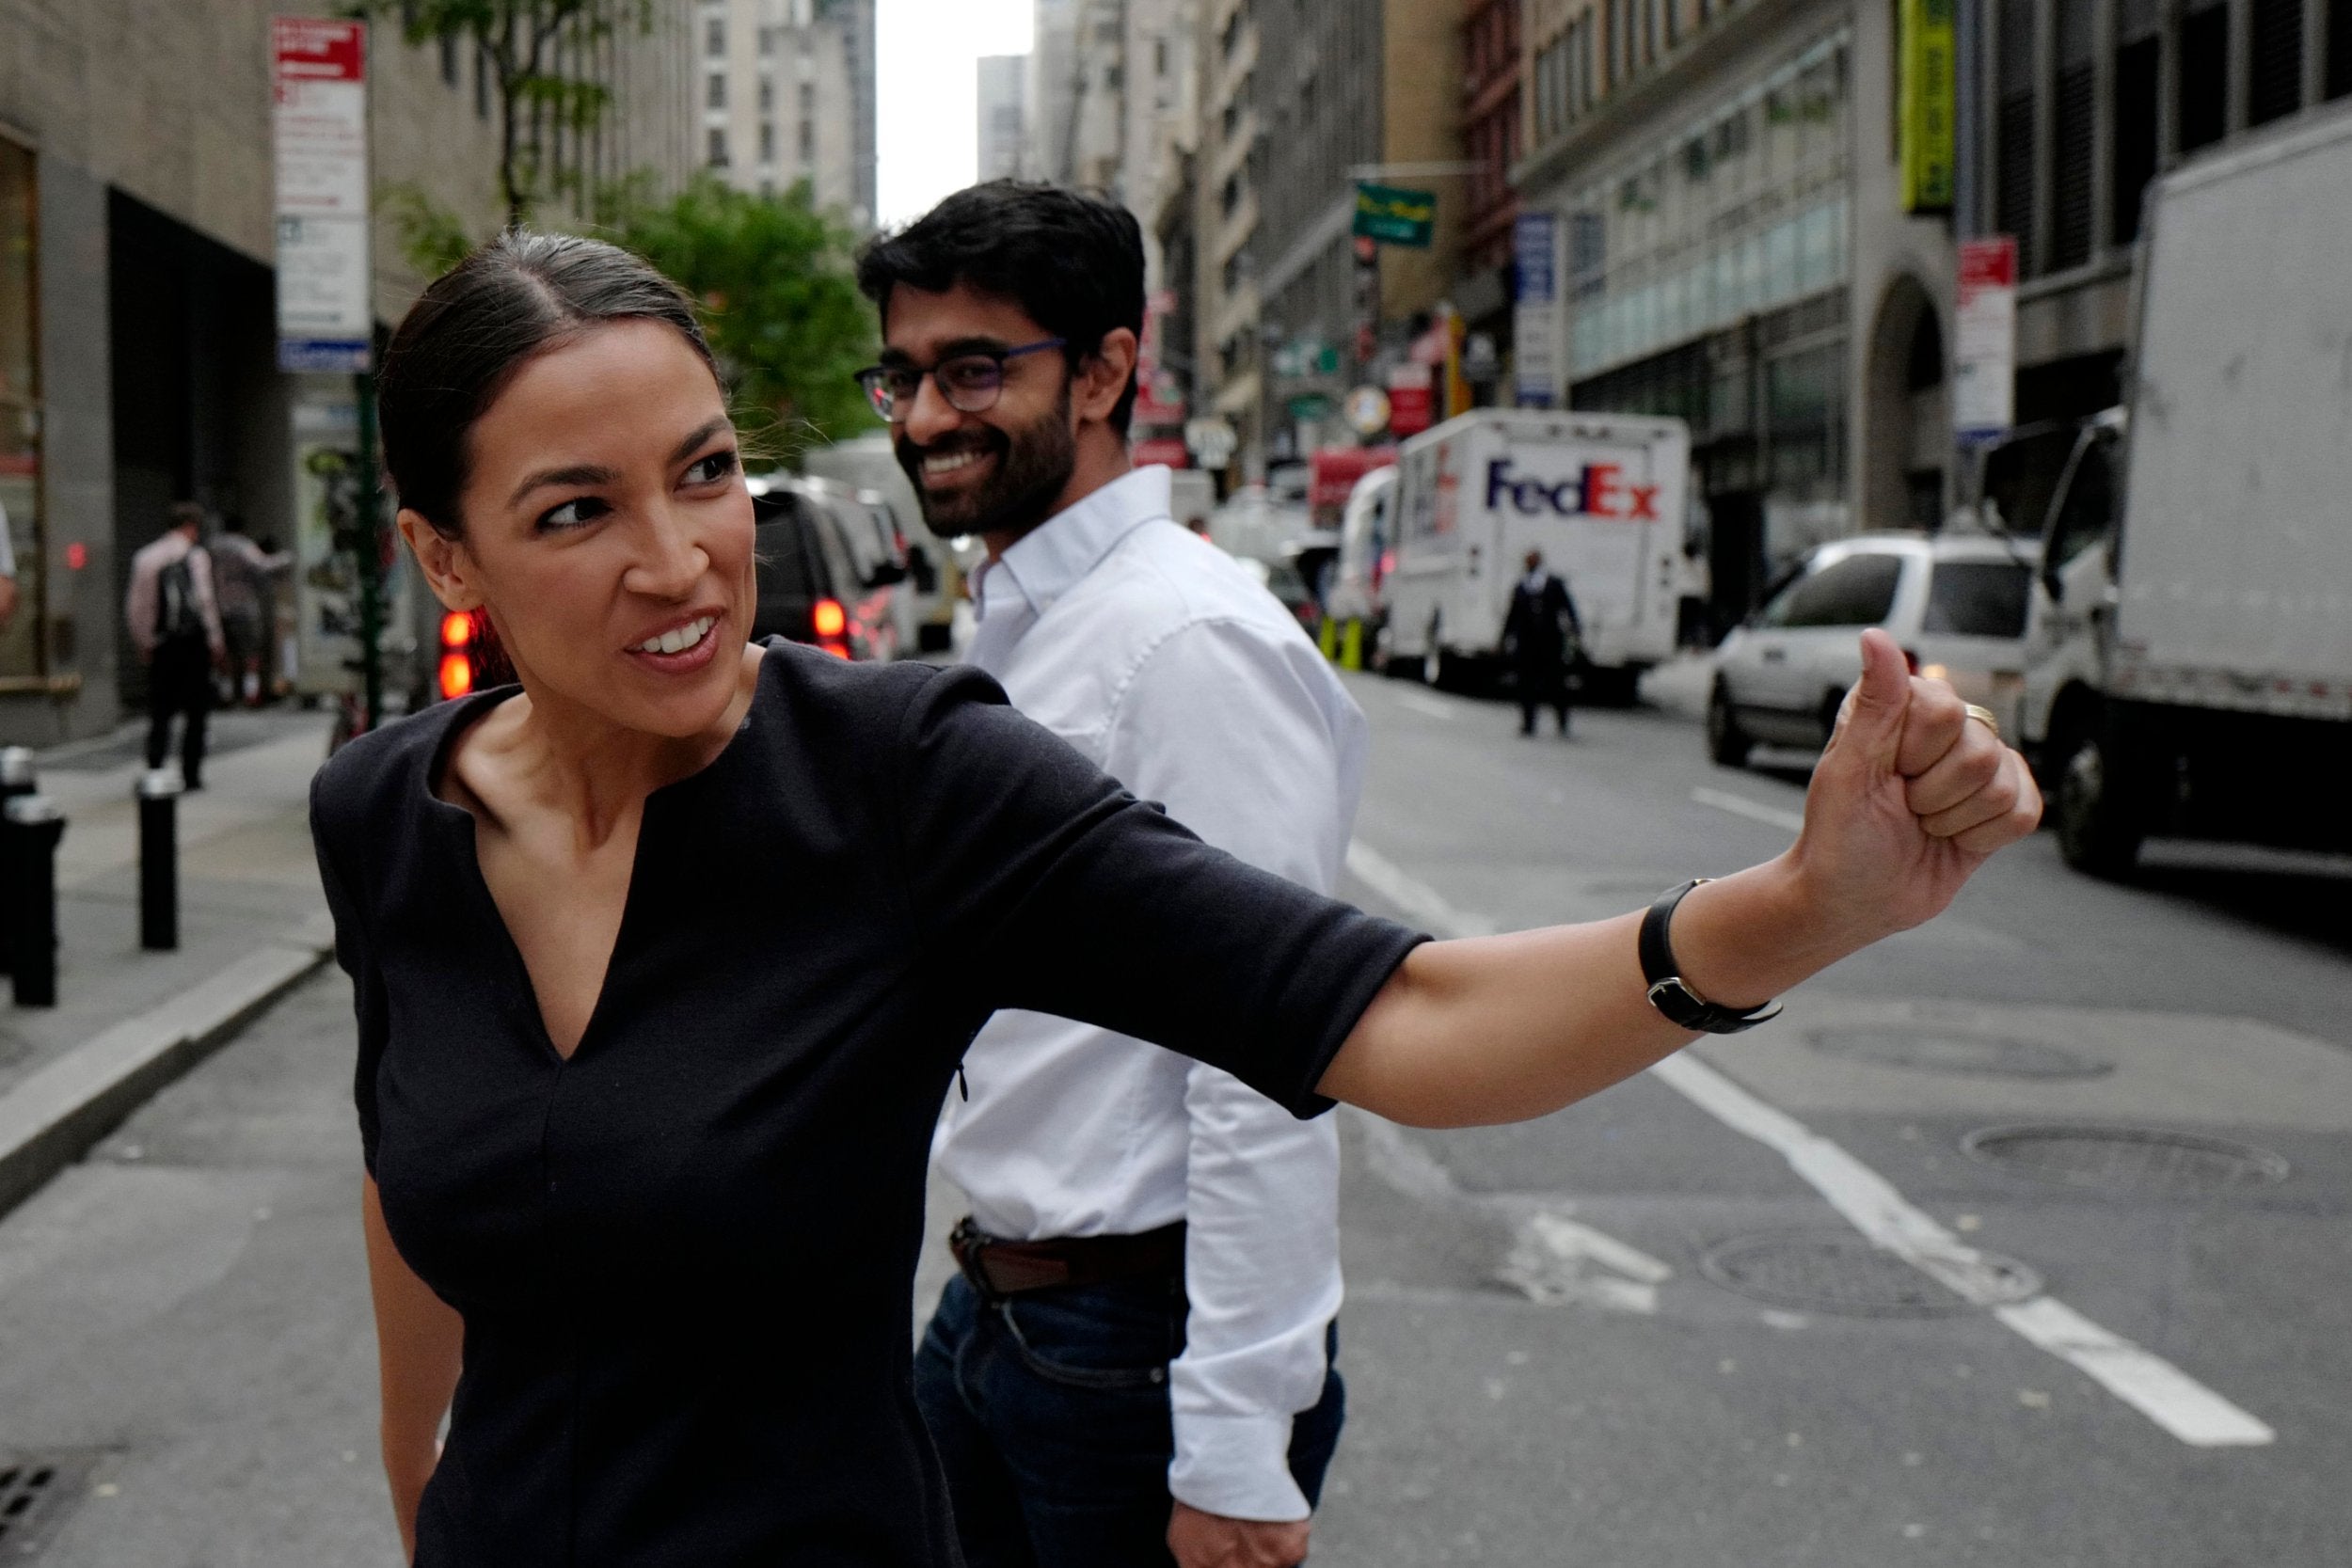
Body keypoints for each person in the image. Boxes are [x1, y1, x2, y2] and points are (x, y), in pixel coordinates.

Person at [312, 231, 2041, 1568]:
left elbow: (1407, 1019)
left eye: (702, 473)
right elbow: (419, 1194)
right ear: (446, 556)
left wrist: (1807, 905)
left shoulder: (901, 778)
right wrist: (422, 1508)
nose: (679, 559)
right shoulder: (384, 811)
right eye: (575, 510)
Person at [857, 183, 1356, 1568]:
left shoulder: (1181, 643)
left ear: (1105, 369)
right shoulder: (1023, 617)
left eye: (973, 369)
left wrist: (1238, 1446)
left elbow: (1271, 1052)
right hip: (999, 1306)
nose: (923, 416)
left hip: (1136, 1345)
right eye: (901, 374)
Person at [125, 501, 225, 787]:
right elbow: (204, 601)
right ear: (191, 526)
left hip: (164, 645)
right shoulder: (196, 556)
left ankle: (155, 766)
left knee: (160, 709)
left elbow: (137, 606)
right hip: (193, 644)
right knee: (196, 712)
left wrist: (144, 640)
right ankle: (191, 773)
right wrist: (216, 639)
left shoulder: (146, 557)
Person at [211, 513, 292, 705]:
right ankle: (251, 695)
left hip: (219, 606)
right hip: (242, 607)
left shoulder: (213, 546)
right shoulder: (242, 545)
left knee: (228, 656)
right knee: (250, 654)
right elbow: (262, 564)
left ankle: (228, 695)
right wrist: (286, 558)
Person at [1502, 547, 1581, 737]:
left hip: (1550, 643)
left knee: (1556, 684)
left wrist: (1575, 631)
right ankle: (1528, 723)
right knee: (1526, 685)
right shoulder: (1521, 586)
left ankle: (1562, 722)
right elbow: (1512, 616)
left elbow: (1568, 608)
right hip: (1527, 644)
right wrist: (1504, 638)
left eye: (1532, 560)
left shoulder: (1553, 584)